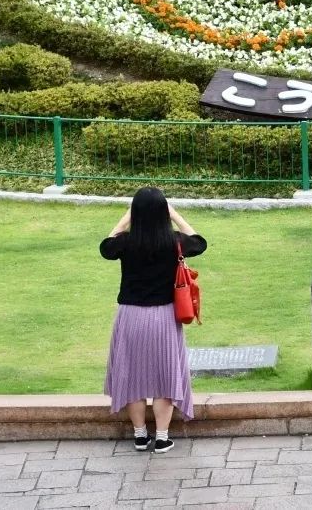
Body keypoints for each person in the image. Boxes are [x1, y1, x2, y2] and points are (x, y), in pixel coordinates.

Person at [101, 186, 207, 454]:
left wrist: (125, 219)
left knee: (132, 375)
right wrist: (176, 215)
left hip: (131, 316)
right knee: (165, 377)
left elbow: (106, 247)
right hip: (164, 317)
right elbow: (200, 241)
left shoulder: (126, 242)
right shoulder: (174, 242)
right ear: (163, 212)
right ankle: (161, 437)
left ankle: (139, 435)